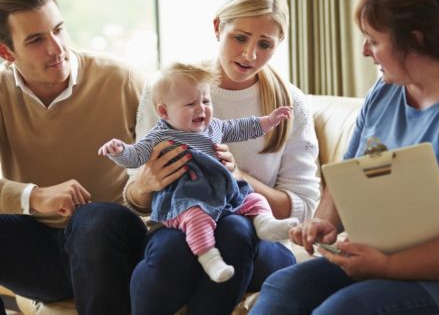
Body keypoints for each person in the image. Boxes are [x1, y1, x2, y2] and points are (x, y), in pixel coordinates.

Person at [250, 0, 439, 315]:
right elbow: (345, 176)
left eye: (373, 40)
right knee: (284, 287)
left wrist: (385, 266)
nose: (365, 52)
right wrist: (324, 222)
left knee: (342, 310)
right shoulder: (385, 92)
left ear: (414, 39)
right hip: (382, 259)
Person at [123, 0, 320, 314]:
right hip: (183, 225)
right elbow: (136, 195)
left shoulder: (290, 105)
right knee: (171, 250)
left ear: (280, 43)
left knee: (232, 229)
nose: (250, 54)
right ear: (217, 28)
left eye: (265, 44)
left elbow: (302, 208)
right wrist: (144, 185)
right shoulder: (169, 89)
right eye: (240, 38)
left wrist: (238, 175)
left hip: (260, 241)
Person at [0, 0, 166, 315]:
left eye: (58, 29)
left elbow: (169, 148)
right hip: (42, 253)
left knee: (91, 220)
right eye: (35, 40)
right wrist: (35, 196)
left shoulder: (122, 79)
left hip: (113, 241)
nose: (56, 48)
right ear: (6, 51)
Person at [99, 61, 298, 283]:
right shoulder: (159, 136)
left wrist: (269, 121)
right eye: (190, 104)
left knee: (254, 198)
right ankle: (209, 258)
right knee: (196, 218)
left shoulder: (214, 127)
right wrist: (118, 151)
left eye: (205, 101)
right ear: (164, 112)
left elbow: (241, 127)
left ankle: (265, 224)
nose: (201, 109)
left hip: (221, 191)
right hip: (185, 199)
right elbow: (135, 156)